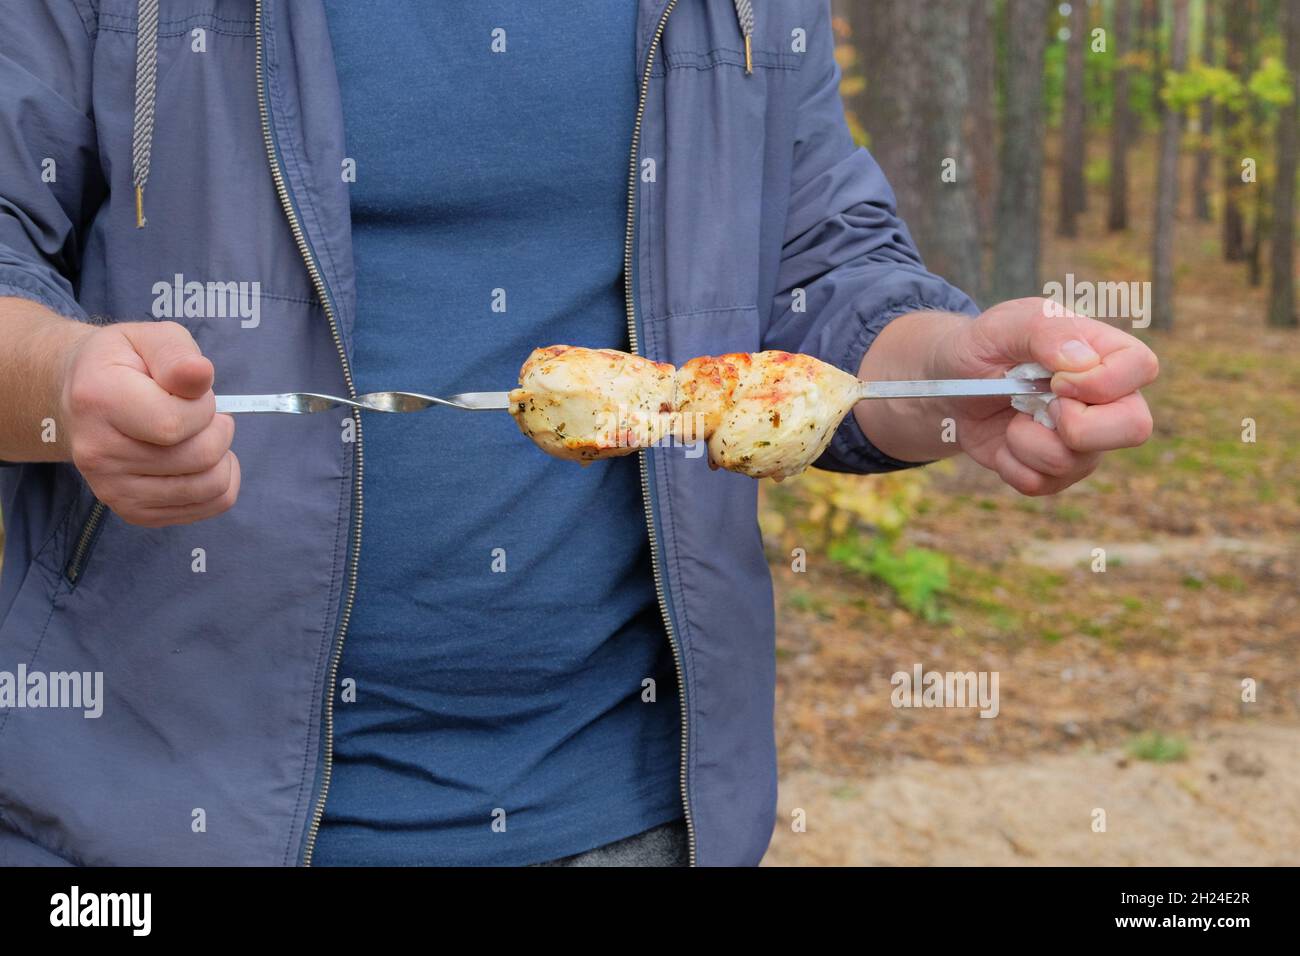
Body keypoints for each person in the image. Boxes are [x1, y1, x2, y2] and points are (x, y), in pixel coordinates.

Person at [0, 1, 1156, 867]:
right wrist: (66, 377)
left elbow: (820, 277)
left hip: (626, 817)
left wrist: (945, 371)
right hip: (150, 823)